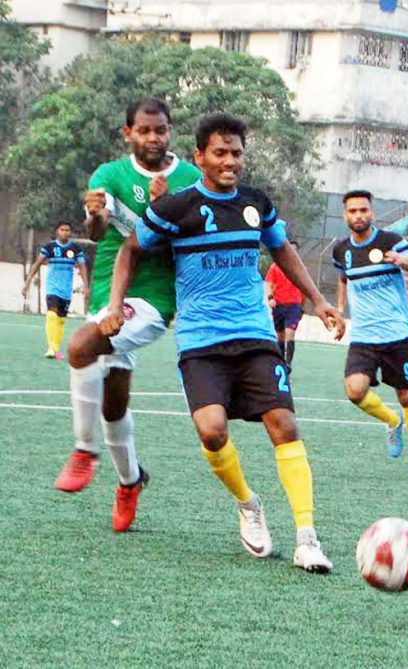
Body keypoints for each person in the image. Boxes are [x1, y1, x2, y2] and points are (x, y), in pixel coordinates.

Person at [103, 112, 345, 572]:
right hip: (200, 341)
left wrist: (319, 300)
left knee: (284, 425)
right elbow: (131, 250)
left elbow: (282, 249)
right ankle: (248, 504)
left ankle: (307, 537)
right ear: (200, 157)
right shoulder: (175, 209)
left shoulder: (255, 203)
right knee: (212, 431)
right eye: (220, 152)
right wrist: (116, 305)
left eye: (236, 152)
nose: (230, 160)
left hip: (254, 334)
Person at [53, 97, 201, 534]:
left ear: (170, 131)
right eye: (144, 131)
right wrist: (96, 213)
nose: (153, 138)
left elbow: (190, 241)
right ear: (128, 134)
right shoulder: (109, 175)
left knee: (80, 346)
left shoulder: (190, 179)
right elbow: (95, 234)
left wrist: (168, 205)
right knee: (114, 400)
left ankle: (84, 450)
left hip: (155, 293)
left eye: (161, 130)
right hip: (108, 285)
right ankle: (131, 480)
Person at [333, 189, 408, 480]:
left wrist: (402, 262)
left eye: (363, 210)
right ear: (345, 215)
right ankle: (391, 421)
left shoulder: (392, 242)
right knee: (354, 391)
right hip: (364, 335)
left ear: (371, 212)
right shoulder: (342, 250)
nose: (359, 216)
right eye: (353, 211)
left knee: (406, 395)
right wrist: (340, 310)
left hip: (395, 334)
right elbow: (343, 278)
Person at [21, 221, 88, 359]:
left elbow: (82, 267)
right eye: (62, 230)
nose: (65, 232)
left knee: (61, 320)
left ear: (70, 232)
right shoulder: (49, 247)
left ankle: (56, 349)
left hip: (66, 290)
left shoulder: (75, 249)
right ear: (57, 231)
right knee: (51, 315)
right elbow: (37, 264)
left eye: (67, 230)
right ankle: (51, 348)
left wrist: (86, 287)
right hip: (52, 288)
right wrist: (27, 283)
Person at [265, 239, 304, 366]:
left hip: (294, 305)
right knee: (280, 336)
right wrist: (270, 298)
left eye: (295, 251)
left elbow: (305, 288)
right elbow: (268, 284)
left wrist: (303, 307)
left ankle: (288, 364)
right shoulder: (275, 267)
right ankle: (280, 361)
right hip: (279, 305)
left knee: (289, 333)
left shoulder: (300, 268)